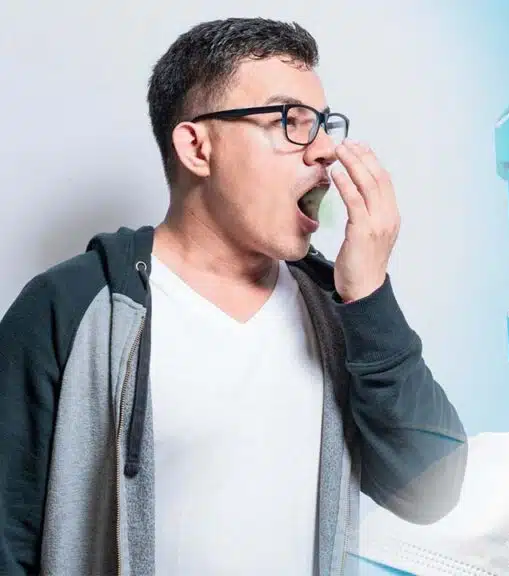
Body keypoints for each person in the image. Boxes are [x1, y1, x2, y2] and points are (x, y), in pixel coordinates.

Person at [0, 17, 467, 575]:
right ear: (197, 147)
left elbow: (432, 490)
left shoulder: (341, 310)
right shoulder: (70, 308)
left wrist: (369, 296)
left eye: (322, 125)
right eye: (290, 122)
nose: (324, 151)